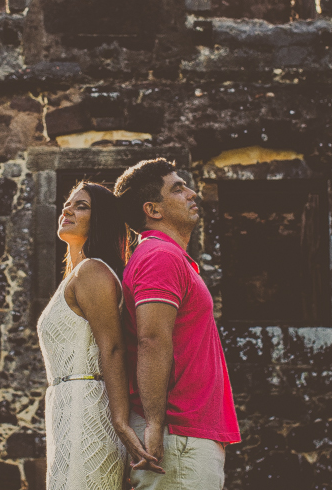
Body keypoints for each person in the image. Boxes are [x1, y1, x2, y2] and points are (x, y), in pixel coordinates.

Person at [114, 159, 241, 490]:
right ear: (153, 209)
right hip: (176, 434)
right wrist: (155, 424)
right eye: (178, 188)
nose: (192, 193)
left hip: (185, 433)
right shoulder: (160, 257)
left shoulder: (168, 256)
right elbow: (152, 340)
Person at [37, 181, 160, 490]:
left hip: (87, 409)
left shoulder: (92, 271)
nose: (67, 209)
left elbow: (114, 347)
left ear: (100, 219)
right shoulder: (78, 274)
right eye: (68, 203)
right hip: (66, 405)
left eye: (82, 205)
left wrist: (120, 421)